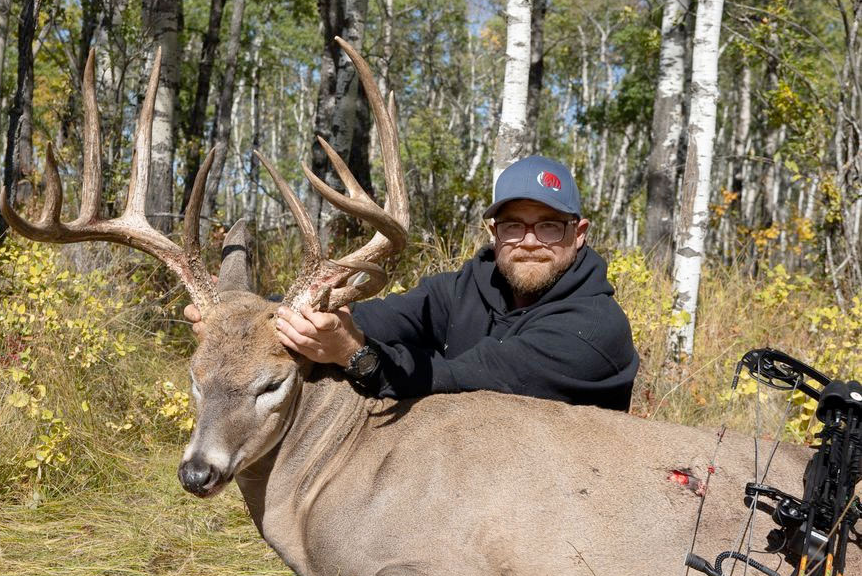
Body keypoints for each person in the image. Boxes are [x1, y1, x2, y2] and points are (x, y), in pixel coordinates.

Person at [188, 156, 639, 411]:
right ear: (493, 233)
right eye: (513, 226)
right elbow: (378, 317)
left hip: (566, 503)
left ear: (578, 234)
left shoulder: (594, 329)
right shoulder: (470, 287)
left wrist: (353, 355)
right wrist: (246, 316)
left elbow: (465, 376)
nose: (529, 242)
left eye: (549, 227)